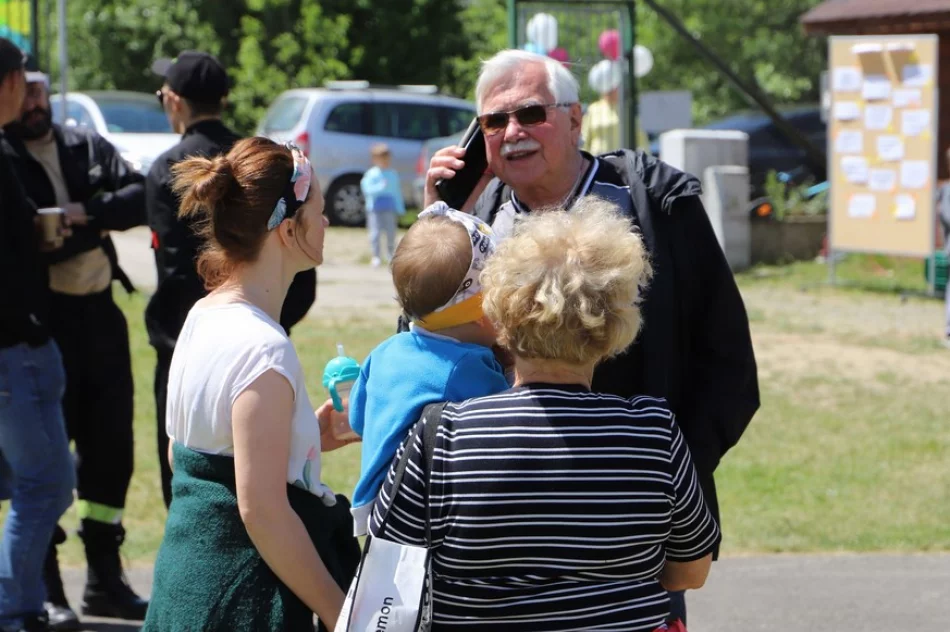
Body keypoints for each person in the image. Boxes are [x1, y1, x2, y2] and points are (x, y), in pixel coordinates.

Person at [424, 48, 759, 623]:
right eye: (493, 122)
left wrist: (662, 477)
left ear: (576, 120)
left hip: (629, 540)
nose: (513, 132)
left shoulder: (653, 204)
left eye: (532, 114)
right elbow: (421, 352)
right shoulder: (475, 222)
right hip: (499, 533)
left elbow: (727, 365)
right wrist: (440, 224)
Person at [372, 197, 719, 631]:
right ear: (613, 329)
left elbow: (389, 561)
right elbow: (691, 571)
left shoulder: (442, 436)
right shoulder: (652, 433)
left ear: (500, 315)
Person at [143, 138, 359, 632]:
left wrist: (306, 440)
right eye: (319, 211)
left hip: (185, 587)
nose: (325, 222)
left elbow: (188, 454)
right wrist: (343, 616)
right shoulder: (264, 349)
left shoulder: (201, 317)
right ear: (288, 230)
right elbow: (261, 511)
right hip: (240, 602)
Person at [3, 67, 147, 629]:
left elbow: (141, 196)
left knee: (110, 446)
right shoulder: (7, 156)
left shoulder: (83, 142)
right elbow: (19, 237)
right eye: (25, 89)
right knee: (45, 458)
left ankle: (105, 581)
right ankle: (46, 589)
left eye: (40, 90)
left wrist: (83, 215)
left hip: (101, 315)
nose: (33, 101)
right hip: (46, 320)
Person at [146, 50, 317, 507]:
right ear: (223, 98)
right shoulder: (259, 162)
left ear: (176, 102)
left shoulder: (170, 168)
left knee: (191, 488)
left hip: (189, 347)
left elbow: (174, 271)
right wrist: (267, 316)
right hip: (254, 343)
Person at [348, 202, 509, 534]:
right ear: (486, 308)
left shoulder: (386, 350)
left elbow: (357, 420)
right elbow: (506, 427)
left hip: (381, 512)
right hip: (426, 521)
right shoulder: (466, 367)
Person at [0, 40, 75, 632]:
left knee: (48, 483)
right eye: (22, 80)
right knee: (42, 483)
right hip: (12, 350)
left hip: (27, 345)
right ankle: (15, 607)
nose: (28, 93)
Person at [581, 59, 649, 155]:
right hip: (598, 162)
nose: (614, 89)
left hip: (623, 164)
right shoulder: (593, 109)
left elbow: (641, 140)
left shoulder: (627, 108)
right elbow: (584, 140)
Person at [359, 143, 405, 267]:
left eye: (386, 158)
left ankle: (390, 254)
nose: (385, 161)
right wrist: (379, 187)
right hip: (375, 208)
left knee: (391, 232)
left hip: (389, 208)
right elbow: (367, 190)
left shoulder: (392, 174)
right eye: (381, 159)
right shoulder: (371, 174)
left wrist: (400, 208)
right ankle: (376, 256)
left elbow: (396, 192)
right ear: (374, 160)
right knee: (375, 233)